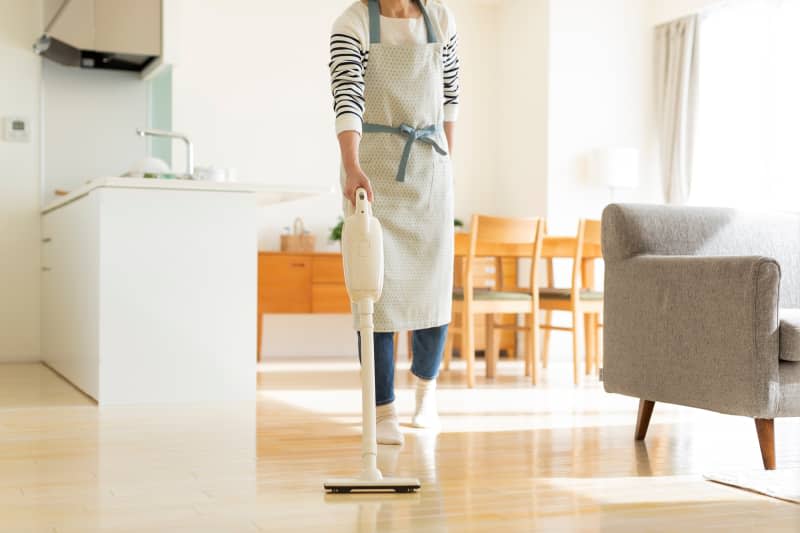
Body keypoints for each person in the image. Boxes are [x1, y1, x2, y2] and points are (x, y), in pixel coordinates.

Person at [329, 0, 460, 444]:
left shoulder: (440, 20)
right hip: (373, 175)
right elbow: (346, 98)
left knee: (434, 290)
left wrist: (445, 162)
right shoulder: (351, 23)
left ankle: (426, 392)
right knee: (373, 296)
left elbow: (452, 97)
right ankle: (382, 408)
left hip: (429, 174)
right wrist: (351, 167)